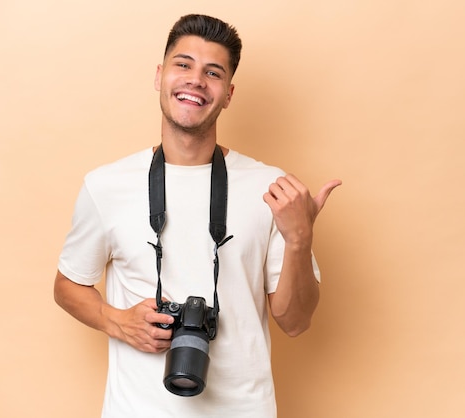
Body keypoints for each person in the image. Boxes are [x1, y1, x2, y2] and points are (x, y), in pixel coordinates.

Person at [54, 13, 341, 418]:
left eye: (213, 72)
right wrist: (115, 320)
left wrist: (300, 239)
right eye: (183, 65)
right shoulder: (106, 185)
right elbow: (67, 284)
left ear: (228, 94)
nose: (195, 81)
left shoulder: (273, 189)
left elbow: (295, 322)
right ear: (160, 76)